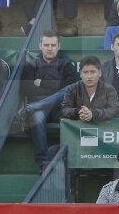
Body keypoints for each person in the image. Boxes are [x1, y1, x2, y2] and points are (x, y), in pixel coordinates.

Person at [17, 31, 77, 167]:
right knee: (37, 117)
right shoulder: (31, 65)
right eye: (46, 45)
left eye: (53, 45)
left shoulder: (66, 64)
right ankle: (43, 163)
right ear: (40, 46)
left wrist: (43, 83)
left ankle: (32, 108)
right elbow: (27, 89)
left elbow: (71, 87)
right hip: (39, 107)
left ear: (58, 46)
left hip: (60, 108)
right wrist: (57, 87)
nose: (50, 48)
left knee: (68, 90)